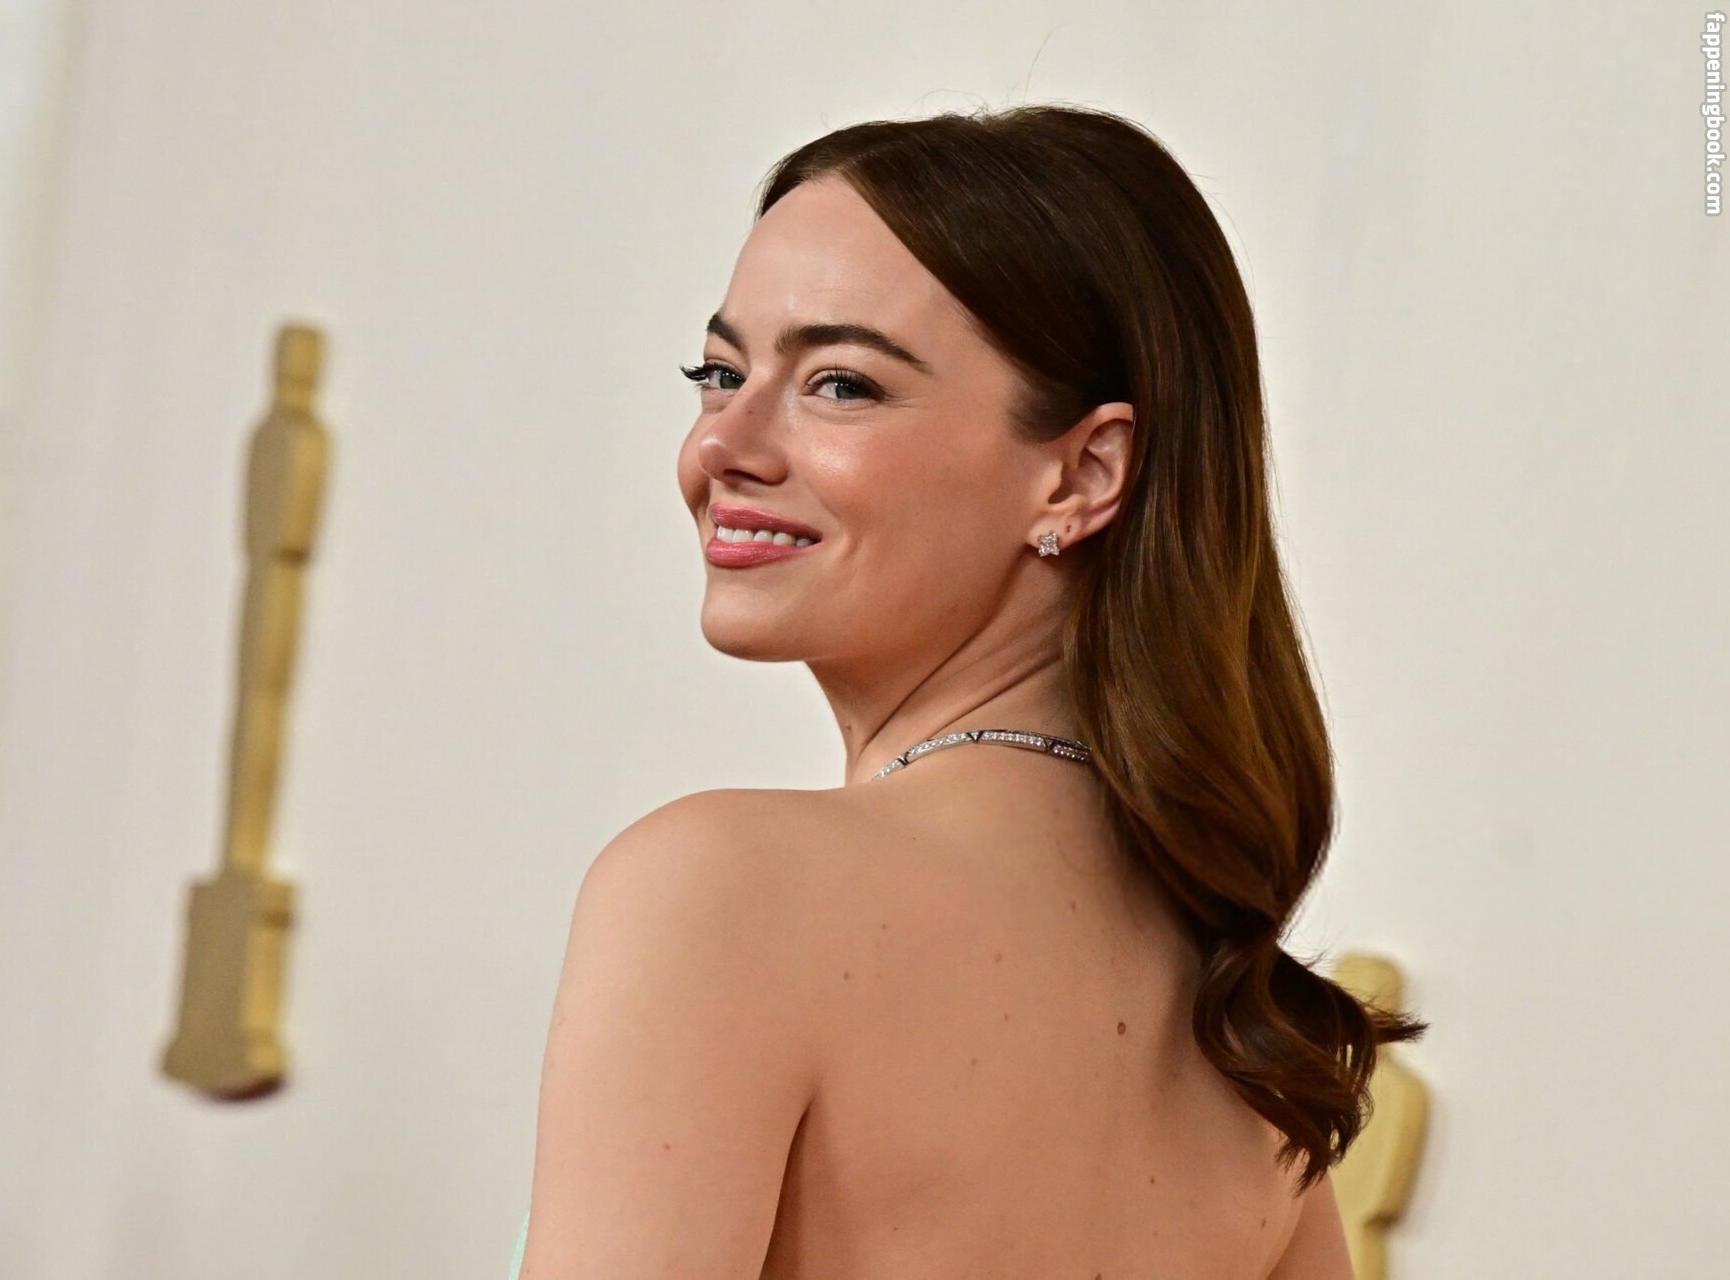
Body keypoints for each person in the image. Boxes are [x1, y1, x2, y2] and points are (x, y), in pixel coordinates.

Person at [508, 102, 1424, 1280]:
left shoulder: (720, 889)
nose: (723, 443)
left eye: (841, 384)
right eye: (719, 372)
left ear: (1084, 472)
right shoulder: (1247, 1033)